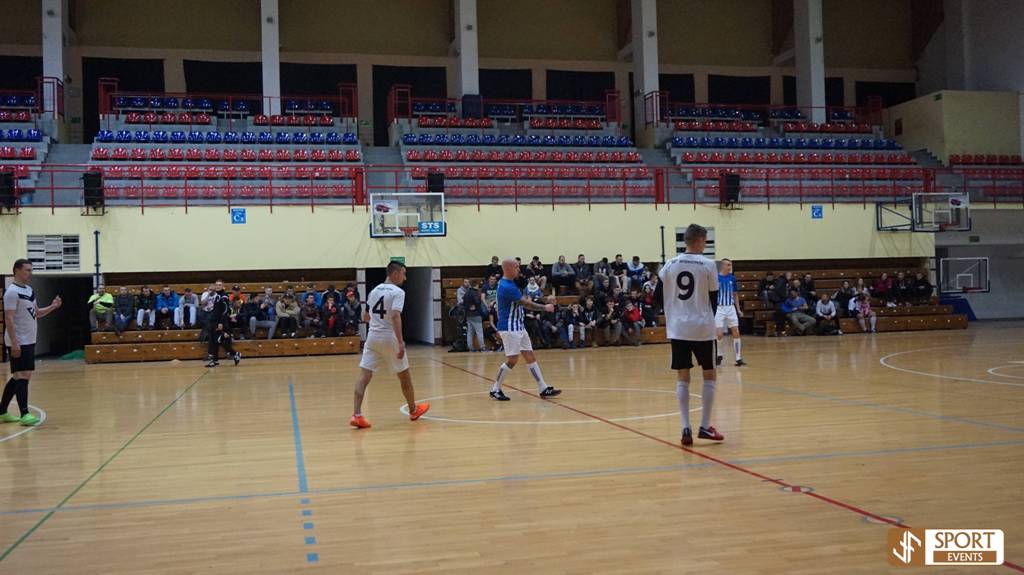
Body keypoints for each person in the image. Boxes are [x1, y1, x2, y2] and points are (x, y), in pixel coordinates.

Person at [657, 224, 724, 446]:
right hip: (702, 328)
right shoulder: (708, 265)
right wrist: (711, 323)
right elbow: (713, 300)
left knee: (683, 376)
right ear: (700, 240)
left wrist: (675, 309)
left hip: (678, 328)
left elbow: (657, 296)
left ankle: (685, 427)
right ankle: (704, 426)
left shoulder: (670, 264)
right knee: (709, 374)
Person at [350, 261, 430, 429]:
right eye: (403, 273)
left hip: (372, 336)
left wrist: (377, 322)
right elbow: (395, 317)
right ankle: (413, 410)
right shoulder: (398, 292)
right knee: (404, 376)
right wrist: (400, 342)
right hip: (388, 336)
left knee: (364, 376)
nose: (405, 278)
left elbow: (365, 317)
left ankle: (356, 415)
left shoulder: (373, 291)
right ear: (395, 274)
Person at [488, 257, 562, 401]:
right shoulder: (506, 286)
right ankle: (495, 389)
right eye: (516, 267)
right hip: (510, 327)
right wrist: (545, 307)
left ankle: (543, 387)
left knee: (530, 356)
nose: (519, 269)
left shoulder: (510, 283)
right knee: (512, 360)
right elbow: (525, 303)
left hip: (518, 326)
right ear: (508, 269)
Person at [2, 259, 61, 426]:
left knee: (19, 376)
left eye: (31, 270)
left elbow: (36, 313)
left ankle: (2, 411)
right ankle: (24, 414)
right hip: (18, 340)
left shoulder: (29, 290)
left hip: (29, 339)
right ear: (17, 271)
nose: (30, 273)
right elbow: (9, 318)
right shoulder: (11, 292)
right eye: (27, 270)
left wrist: (53, 306)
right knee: (23, 375)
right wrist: (15, 343)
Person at [714, 259, 746, 367]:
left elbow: (735, 294)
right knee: (719, 334)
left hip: (730, 308)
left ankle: (738, 358)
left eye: (730, 265)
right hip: (719, 308)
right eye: (728, 265)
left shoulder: (732, 278)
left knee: (736, 332)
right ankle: (719, 355)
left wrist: (738, 309)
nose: (730, 267)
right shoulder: (716, 278)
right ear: (722, 266)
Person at [204, 279, 241, 368]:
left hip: (220, 322)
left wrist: (221, 322)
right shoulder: (217, 295)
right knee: (214, 341)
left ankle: (235, 353)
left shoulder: (224, 296)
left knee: (218, 340)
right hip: (214, 321)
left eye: (220, 285)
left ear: (223, 286)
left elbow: (225, 310)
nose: (218, 286)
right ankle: (215, 360)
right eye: (216, 285)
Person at [462, 280, 485, 352]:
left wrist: (468, 307)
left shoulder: (466, 293)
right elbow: (478, 303)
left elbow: (464, 304)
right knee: (479, 332)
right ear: (476, 285)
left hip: (468, 315)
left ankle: (470, 347)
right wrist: (482, 313)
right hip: (476, 315)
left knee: (470, 333)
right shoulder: (475, 293)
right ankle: (482, 347)